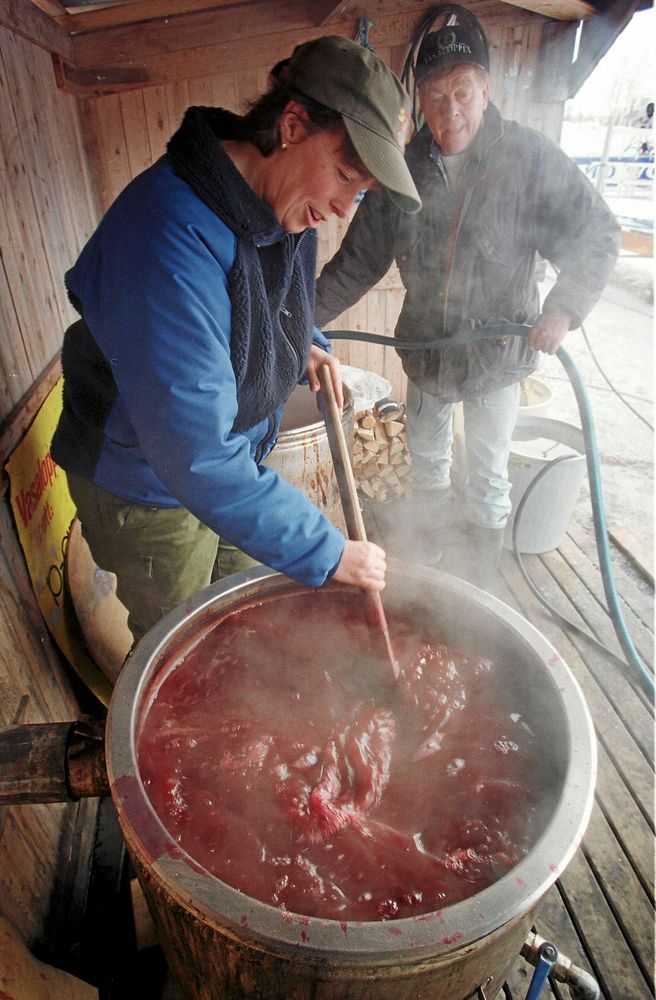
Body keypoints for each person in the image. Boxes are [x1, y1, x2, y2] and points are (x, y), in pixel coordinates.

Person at [51, 35, 421, 658]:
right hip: (146, 487)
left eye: (360, 196)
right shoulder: (166, 236)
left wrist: (305, 342)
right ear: (293, 124)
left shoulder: (283, 204)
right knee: (180, 649)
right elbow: (196, 454)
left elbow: (261, 303)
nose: (342, 207)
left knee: (235, 625)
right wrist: (330, 550)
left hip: (224, 466)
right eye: (347, 176)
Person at [315, 11, 620, 591]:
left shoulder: (528, 160)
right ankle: (429, 565)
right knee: (428, 461)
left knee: (488, 476)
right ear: (421, 104)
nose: (449, 108)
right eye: (435, 94)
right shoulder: (403, 169)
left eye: (461, 91)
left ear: (485, 91)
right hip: (427, 354)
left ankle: (478, 583)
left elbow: (596, 232)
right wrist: (295, 320)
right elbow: (357, 262)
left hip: (498, 355)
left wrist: (563, 307)